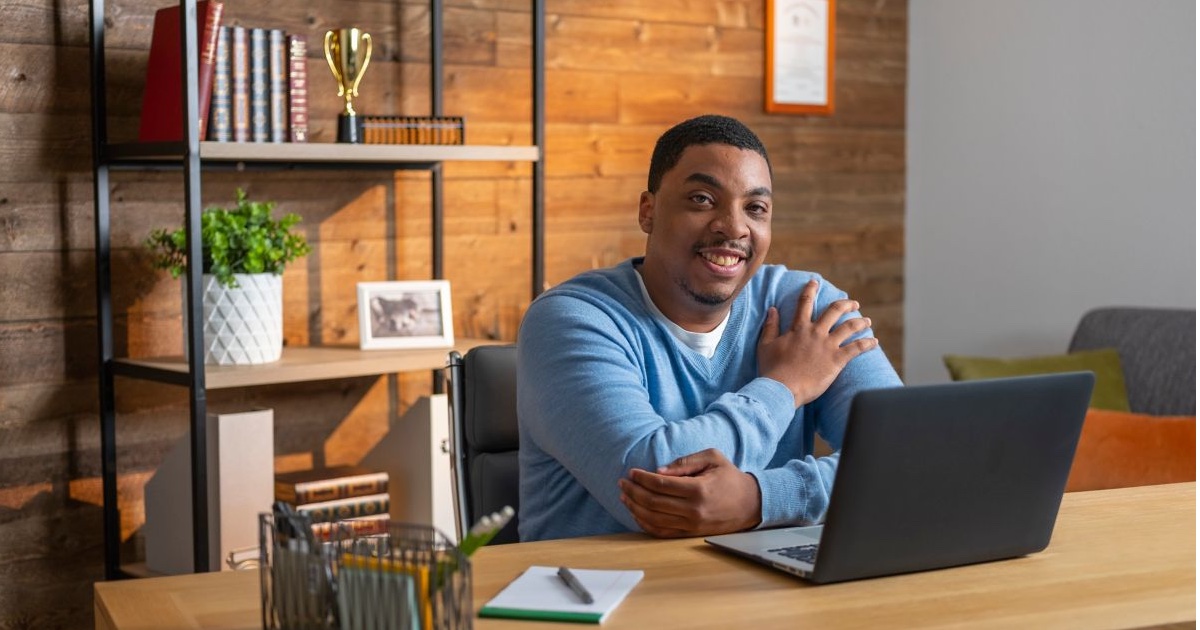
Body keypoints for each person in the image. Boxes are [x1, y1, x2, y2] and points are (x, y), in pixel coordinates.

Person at [516, 114, 903, 541]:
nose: (734, 227)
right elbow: (655, 484)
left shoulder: (807, 307)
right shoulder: (571, 320)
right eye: (702, 199)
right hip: (599, 595)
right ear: (648, 211)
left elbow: (912, 456)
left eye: (755, 208)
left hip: (760, 591)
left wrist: (759, 500)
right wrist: (786, 386)